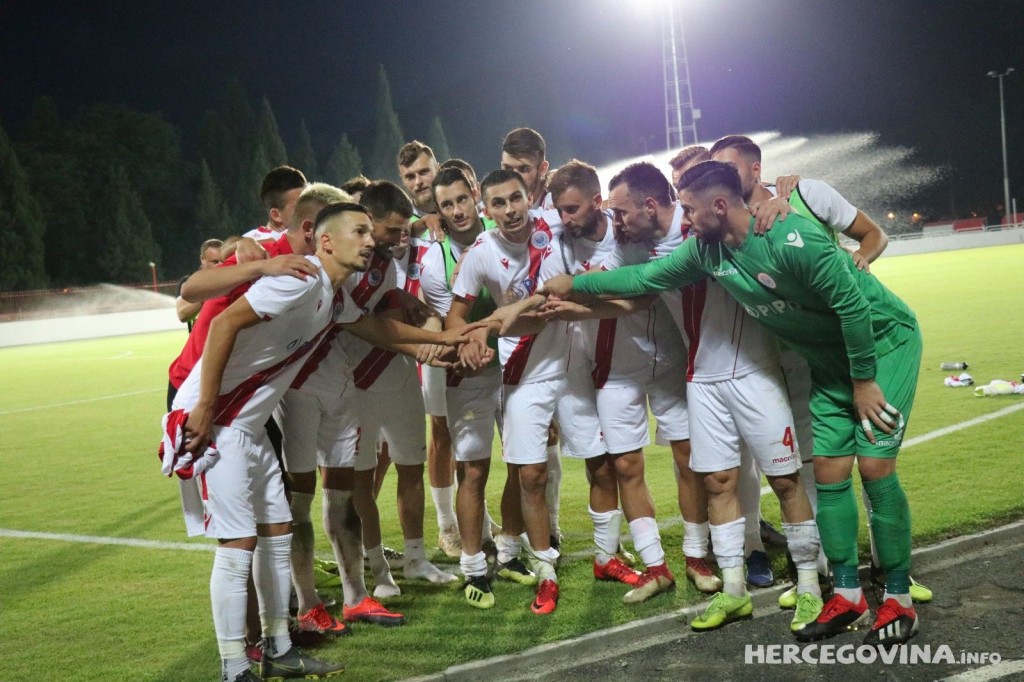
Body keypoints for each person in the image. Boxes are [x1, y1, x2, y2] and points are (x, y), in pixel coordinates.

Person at [545, 160, 923, 646]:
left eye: (688, 208)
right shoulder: (709, 251)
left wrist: (865, 381)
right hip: (832, 361)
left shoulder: (792, 236)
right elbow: (645, 279)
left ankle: (898, 598)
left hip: (882, 344)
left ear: (718, 207)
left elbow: (852, 305)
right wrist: (574, 283)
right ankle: (847, 594)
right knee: (828, 472)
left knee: (873, 468)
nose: (682, 217)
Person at [167, 201, 476, 681]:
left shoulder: (332, 294)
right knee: (238, 544)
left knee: (276, 534)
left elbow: (375, 327)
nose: (369, 240)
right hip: (215, 421)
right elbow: (224, 323)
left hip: (246, 427)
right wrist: (205, 406)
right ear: (325, 240)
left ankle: (279, 647)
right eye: (359, 231)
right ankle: (233, 667)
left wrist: (443, 343)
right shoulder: (300, 278)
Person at [708, 134, 932, 607]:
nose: (724, 177)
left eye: (731, 168)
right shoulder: (728, 230)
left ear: (755, 169)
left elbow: (873, 236)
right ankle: (835, 580)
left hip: (860, 340)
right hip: (805, 353)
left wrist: (858, 260)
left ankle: (894, 578)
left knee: (874, 464)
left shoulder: (806, 195)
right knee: (823, 465)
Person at [449, 169, 601, 616]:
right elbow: (456, 316)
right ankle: (546, 569)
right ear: (486, 209)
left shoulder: (556, 224)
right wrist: (470, 339)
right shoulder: (480, 253)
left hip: (575, 360)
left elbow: (602, 218)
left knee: (604, 462)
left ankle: (609, 554)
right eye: (499, 204)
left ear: (528, 197)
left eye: (515, 199)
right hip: (523, 369)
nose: (510, 210)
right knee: (530, 474)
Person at [535, 160, 680, 603]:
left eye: (573, 209)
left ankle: (703, 553)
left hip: (665, 361)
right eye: (558, 210)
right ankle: (613, 558)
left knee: (693, 463)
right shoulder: (553, 243)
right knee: (607, 466)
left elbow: (634, 294)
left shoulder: (630, 233)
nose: (565, 219)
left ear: (599, 202)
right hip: (592, 371)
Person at [418, 167, 508, 608]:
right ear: (438, 211)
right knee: (472, 469)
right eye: (446, 205)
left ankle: (510, 553)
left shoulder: (507, 229)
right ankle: (473, 567)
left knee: (528, 461)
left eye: (461, 200)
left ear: (475, 196)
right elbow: (444, 322)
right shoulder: (435, 261)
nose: (456, 211)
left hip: (519, 365)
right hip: (468, 371)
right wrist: (466, 347)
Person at [397, 141, 461, 557]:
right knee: (441, 432)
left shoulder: (457, 214)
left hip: (474, 334)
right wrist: (417, 226)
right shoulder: (403, 226)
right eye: (410, 177)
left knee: (472, 432)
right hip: (430, 343)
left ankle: (472, 514)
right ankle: (447, 526)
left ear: (437, 167)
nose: (419, 181)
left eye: (423, 171)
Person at [242, 166, 307, 242]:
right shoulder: (251, 248)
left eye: (308, 202)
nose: (308, 211)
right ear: (276, 215)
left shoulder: (244, 239)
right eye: (299, 208)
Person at [176, 238, 223, 332]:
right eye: (215, 262)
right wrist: (209, 292)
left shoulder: (233, 280)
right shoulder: (189, 282)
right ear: (202, 259)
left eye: (223, 261)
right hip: (201, 344)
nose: (221, 265)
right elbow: (183, 315)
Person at [501, 127, 553, 210]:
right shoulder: (492, 212)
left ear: (543, 169)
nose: (514, 178)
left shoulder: (558, 211)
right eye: (507, 168)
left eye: (523, 169)